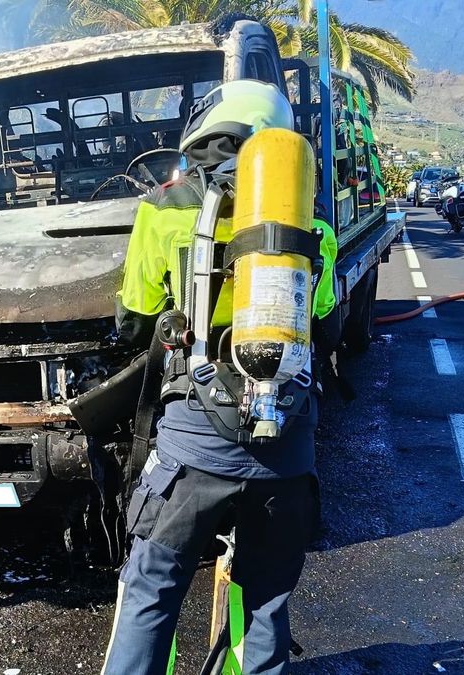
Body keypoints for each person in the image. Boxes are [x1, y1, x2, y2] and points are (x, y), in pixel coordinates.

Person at [100, 79, 341, 675]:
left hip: (192, 452)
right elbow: (325, 324)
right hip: (285, 457)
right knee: (265, 603)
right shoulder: (311, 224)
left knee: (152, 588)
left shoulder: (163, 208)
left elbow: (133, 317)